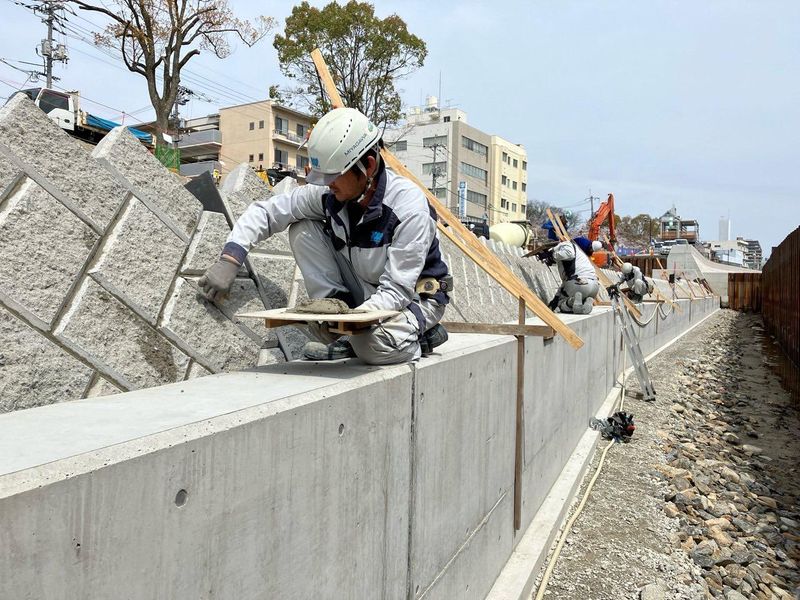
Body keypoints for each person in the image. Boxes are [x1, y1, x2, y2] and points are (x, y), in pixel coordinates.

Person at [198, 107, 451, 365]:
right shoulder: (331, 195)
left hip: (414, 298)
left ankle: (420, 337)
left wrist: (349, 326)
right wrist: (231, 257)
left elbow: (397, 290)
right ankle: (347, 324)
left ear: (369, 166)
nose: (326, 184)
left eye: (333, 176)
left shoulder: (407, 209)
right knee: (302, 227)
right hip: (368, 292)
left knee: (371, 346)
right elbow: (268, 212)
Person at [538, 235, 601, 315]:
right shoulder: (583, 258)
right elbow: (565, 284)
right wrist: (556, 297)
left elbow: (569, 254)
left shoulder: (566, 244)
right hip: (594, 287)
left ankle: (571, 302)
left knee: (561, 304)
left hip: (579, 284)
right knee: (579, 303)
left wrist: (551, 255)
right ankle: (586, 301)